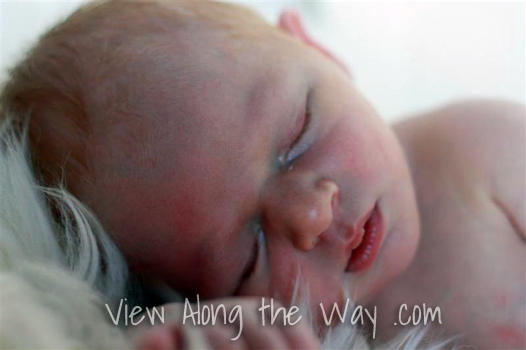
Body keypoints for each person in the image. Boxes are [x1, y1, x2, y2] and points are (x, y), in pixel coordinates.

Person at [0, 1, 523, 349]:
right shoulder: (264, 329)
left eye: (300, 135)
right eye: (249, 257)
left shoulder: (479, 152)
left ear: (318, 51)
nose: (313, 214)